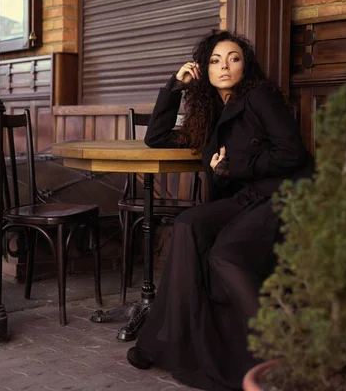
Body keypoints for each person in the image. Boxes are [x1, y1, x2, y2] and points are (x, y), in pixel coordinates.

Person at [126, 31, 314, 390]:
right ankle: (161, 342)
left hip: (282, 197)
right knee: (186, 225)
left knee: (224, 256)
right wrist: (173, 87)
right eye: (215, 61)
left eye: (234, 58)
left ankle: (280, 350)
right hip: (246, 200)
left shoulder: (260, 96)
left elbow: (294, 154)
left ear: (246, 65)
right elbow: (156, 137)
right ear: (204, 71)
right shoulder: (210, 112)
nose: (224, 66)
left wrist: (235, 167)